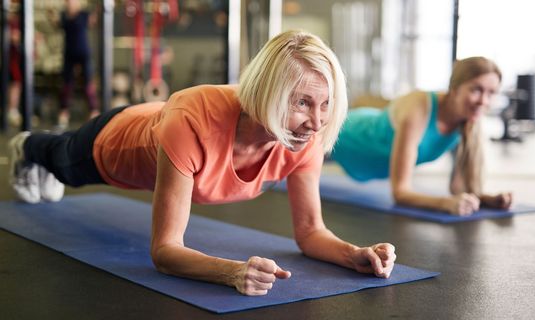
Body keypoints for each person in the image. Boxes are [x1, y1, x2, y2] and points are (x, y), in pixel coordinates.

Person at [8, 30, 396, 296]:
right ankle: (27, 147)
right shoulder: (194, 123)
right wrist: (233, 272)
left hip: (162, 123)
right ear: (268, 94)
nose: (317, 121)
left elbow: (311, 231)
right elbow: (164, 251)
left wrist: (354, 254)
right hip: (115, 142)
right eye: (302, 103)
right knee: (62, 161)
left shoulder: (303, 136)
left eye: (326, 103)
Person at [330, 56, 512, 216]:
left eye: (491, 93)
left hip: (367, 158)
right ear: (455, 89)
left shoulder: (467, 123)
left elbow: (457, 189)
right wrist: (445, 204)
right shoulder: (419, 108)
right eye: (476, 90)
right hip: (348, 134)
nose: (484, 101)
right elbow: (400, 193)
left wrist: (487, 199)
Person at [56, 0, 100, 128]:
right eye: (68, 2)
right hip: (69, 53)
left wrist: (98, 9)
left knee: (88, 84)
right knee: (66, 84)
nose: (71, 4)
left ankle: (94, 112)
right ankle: (63, 113)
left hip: (83, 53)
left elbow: (93, 21)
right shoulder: (64, 15)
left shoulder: (84, 15)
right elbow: (58, 25)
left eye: (73, 1)